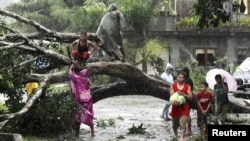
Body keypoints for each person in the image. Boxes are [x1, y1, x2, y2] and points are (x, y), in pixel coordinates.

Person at [69, 64, 94, 137]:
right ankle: (92, 133)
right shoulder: (87, 81)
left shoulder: (78, 79)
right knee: (89, 116)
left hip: (80, 102)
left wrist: (70, 68)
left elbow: (71, 75)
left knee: (78, 117)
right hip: (88, 102)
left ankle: (77, 134)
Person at [169, 71, 192, 141]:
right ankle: (175, 134)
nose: (180, 79)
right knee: (174, 124)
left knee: (183, 122)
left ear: (184, 78)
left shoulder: (187, 86)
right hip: (175, 106)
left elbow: (190, 97)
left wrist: (183, 94)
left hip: (184, 106)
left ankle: (182, 137)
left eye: (182, 77)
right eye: (179, 77)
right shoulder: (173, 85)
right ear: (177, 78)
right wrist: (176, 93)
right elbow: (171, 95)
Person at [181, 67, 194, 135]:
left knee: (187, 115)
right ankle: (187, 129)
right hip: (184, 99)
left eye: (183, 72)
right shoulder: (187, 80)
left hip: (187, 99)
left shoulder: (188, 81)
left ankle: (189, 129)